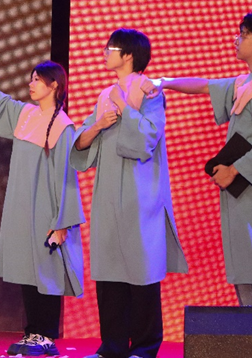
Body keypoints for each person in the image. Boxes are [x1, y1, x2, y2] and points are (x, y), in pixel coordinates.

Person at [150, 10, 252, 306]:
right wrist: (164, 82)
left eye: (243, 34)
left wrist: (234, 170)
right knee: (247, 271)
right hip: (245, 195)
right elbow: (205, 85)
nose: (236, 39)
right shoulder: (248, 82)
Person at [0, 33, 85, 356]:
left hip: (47, 210)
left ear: (54, 85)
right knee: (27, 271)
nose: (31, 84)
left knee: (46, 271)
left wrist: (62, 222)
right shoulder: (25, 115)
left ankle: (46, 335)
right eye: (31, 79)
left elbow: (66, 177)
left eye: (37, 80)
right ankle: (32, 333)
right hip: (21, 206)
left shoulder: (63, 126)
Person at [70, 28, 188, 358]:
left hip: (141, 193)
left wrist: (125, 107)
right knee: (109, 273)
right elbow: (81, 143)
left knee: (142, 272)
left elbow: (147, 137)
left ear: (129, 55)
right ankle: (112, 346)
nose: (105, 52)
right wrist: (98, 124)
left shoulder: (150, 92)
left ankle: (145, 347)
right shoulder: (105, 94)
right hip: (108, 193)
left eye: (111, 48)